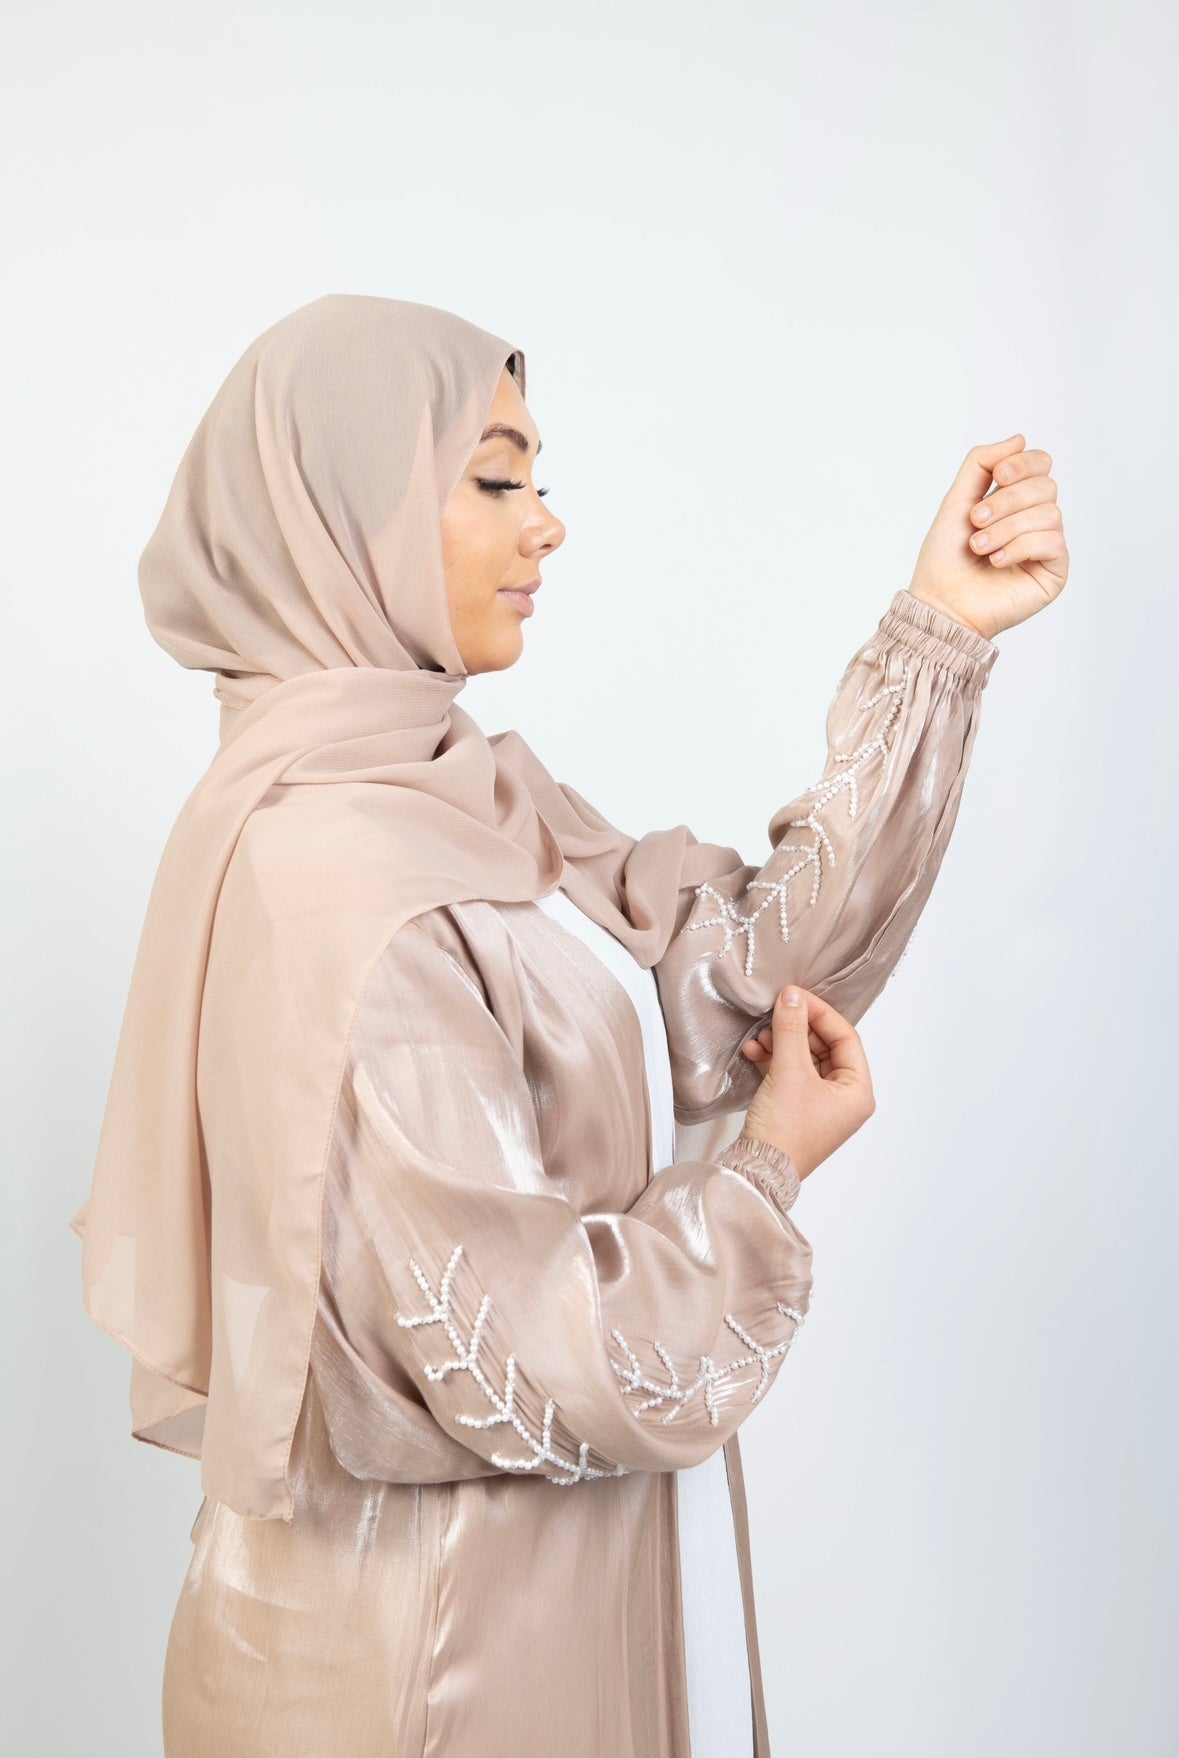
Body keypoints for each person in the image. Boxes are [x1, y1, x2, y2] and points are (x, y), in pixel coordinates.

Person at [68, 294, 1068, 1757]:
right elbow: (527, 1353)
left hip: (561, 1606)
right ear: (342, 517)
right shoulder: (339, 880)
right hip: (432, 1673)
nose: (546, 526)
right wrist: (766, 1172)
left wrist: (939, 637)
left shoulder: (464, 792)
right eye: (493, 479)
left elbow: (732, 974)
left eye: (536, 480)